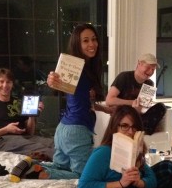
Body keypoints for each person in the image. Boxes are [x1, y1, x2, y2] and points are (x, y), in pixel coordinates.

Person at [13, 23, 108, 179]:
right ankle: (42, 172)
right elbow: (54, 79)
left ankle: (33, 164)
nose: (92, 44)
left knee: (60, 167)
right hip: (77, 131)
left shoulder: (86, 68)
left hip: (63, 129)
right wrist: (52, 79)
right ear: (77, 43)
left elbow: (82, 102)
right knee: (81, 175)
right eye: (85, 40)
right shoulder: (75, 67)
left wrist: (106, 109)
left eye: (94, 39)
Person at [0, 68, 54, 160]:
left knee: (56, 144)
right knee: (42, 149)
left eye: (8, 82)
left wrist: (32, 116)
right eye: (1, 81)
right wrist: (6, 130)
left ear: (12, 84)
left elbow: (30, 132)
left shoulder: (19, 103)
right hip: (5, 139)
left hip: (26, 137)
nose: (5, 85)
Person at [105, 53, 169, 135]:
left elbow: (142, 107)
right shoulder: (124, 77)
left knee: (161, 107)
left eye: (153, 69)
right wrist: (132, 102)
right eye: (148, 67)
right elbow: (109, 100)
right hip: (122, 116)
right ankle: (139, 129)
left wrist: (144, 106)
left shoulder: (149, 84)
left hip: (137, 116)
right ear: (139, 64)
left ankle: (142, 131)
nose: (150, 72)